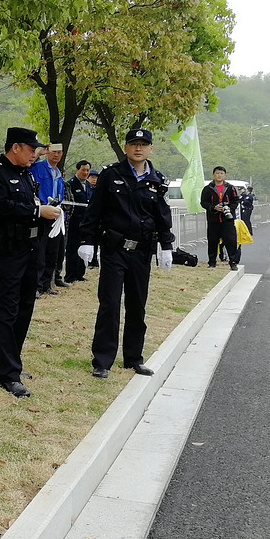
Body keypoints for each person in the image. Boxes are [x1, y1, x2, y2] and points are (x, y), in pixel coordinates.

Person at [78, 129, 174, 379]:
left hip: (141, 251)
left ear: (151, 149)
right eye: (134, 144)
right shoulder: (111, 174)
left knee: (137, 305)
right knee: (109, 304)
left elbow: (162, 216)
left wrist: (166, 245)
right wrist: (87, 240)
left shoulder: (157, 180)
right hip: (114, 249)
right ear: (126, 147)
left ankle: (134, 358)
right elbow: (94, 210)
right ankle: (102, 360)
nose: (138, 148)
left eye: (144, 144)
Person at [0, 128, 60, 398]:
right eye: (30, 148)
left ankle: (8, 359)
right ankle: (8, 374)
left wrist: (45, 211)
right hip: (8, 250)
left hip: (30, 246)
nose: (34, 153)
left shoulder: (26, 173)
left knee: (26, 305)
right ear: (15, 147)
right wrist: (37, 210)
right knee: (8, 308)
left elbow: (29, 202)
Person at [32, 143, 67, 294]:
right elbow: (24, 168)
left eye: (59, 152)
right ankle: (36, 286)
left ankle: (47, 284)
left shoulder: (58, 173)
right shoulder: (38, 167)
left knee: (52, 252)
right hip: (41, 212)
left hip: (54, 213)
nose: (56, 155)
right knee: (40, 252)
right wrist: (38, 154)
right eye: (54, 152)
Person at [200, 166, 241, 270]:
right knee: (213, 241)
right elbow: (203, 202)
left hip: (227, 220)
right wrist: (213, 207)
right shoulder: (208, 188)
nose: (219, 175)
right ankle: (212, 262)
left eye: (221, 173)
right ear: (214, 175)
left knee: (231, 241)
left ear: (224, 175)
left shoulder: (230, 188)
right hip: (213, 220)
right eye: (217, 173)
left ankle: (233, 262)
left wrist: (228, 208)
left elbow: (236, 200)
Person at [64, 160, 93, 283]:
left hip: (85, 223)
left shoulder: (88, 185)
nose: (85, 173)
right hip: (74, 223)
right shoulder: (71, 184)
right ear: (77, 170)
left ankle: (80, 274)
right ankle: (71, 276)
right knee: (73, 249)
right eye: (83, 170)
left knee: (83, 247)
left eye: (87, 170)